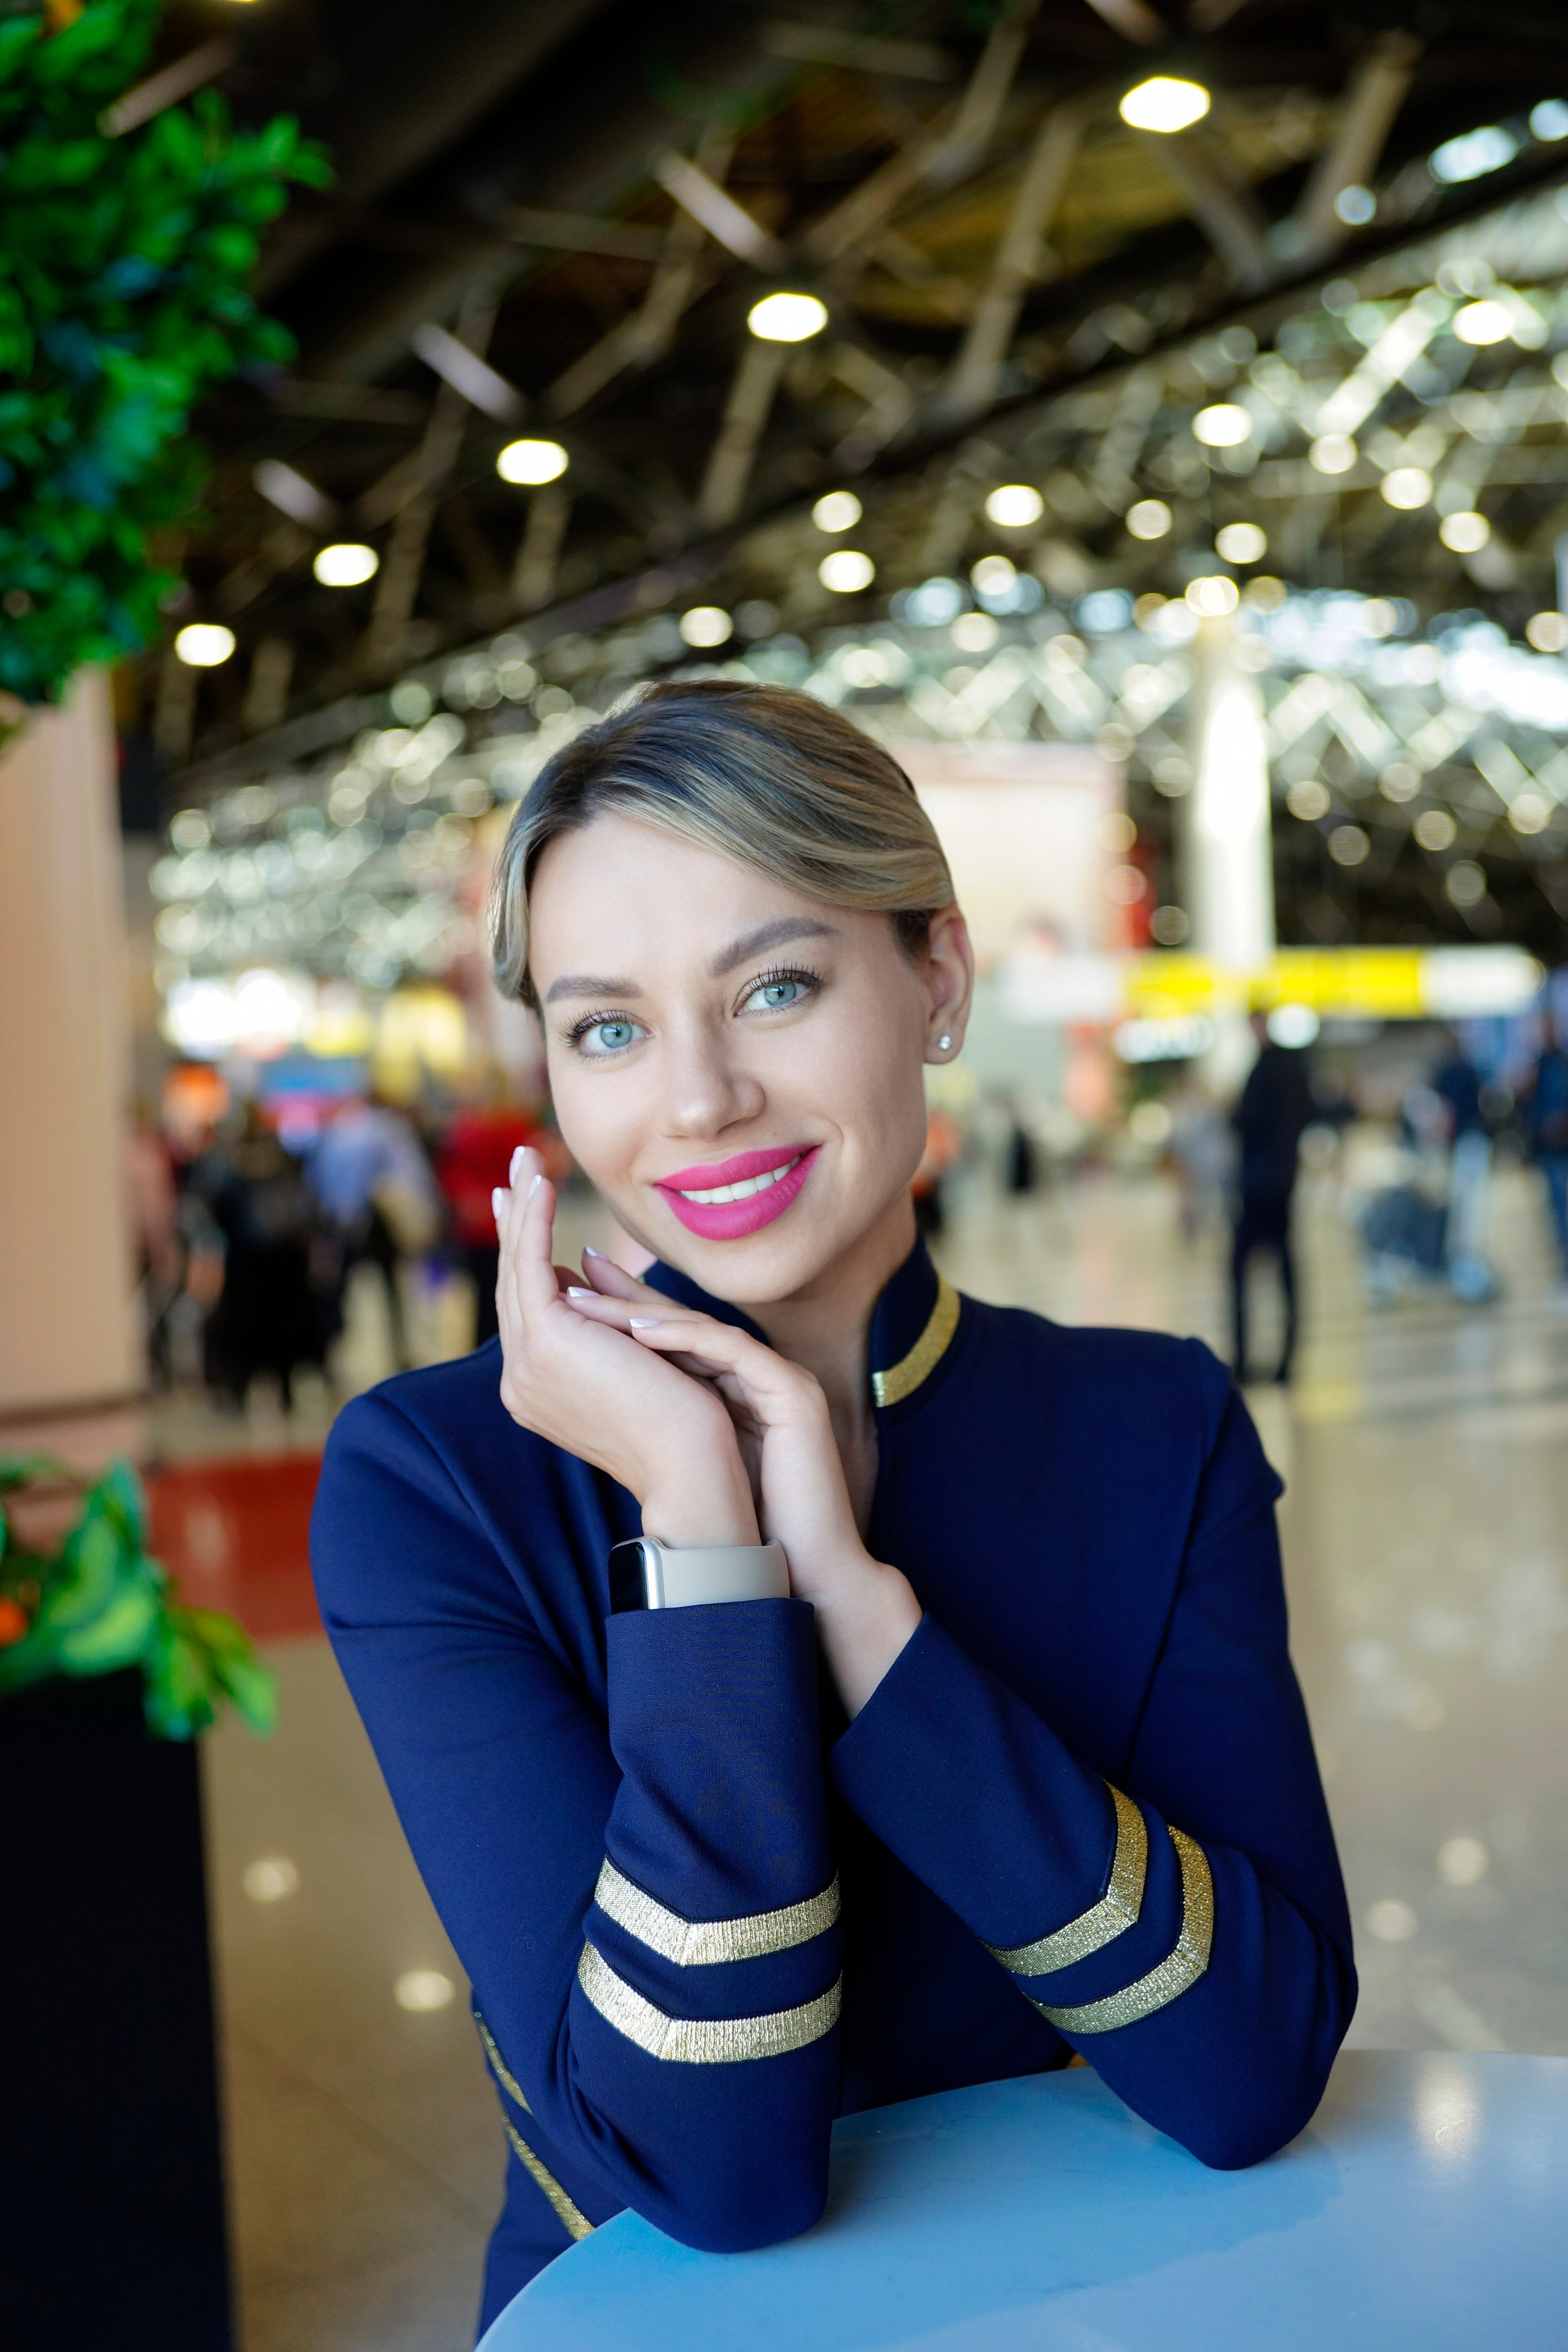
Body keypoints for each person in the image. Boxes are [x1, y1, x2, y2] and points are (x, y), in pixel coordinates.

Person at [311, 684, 1353, 2336]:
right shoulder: (439, 1484)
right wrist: (708, 1547)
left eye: (774, 986)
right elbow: (707, 2176)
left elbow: (1254, 2066)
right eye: (610, 1029)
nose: (700, 1098)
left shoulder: (1154, 1423)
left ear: (935, 980)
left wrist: (860, 1609)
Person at [1229, 1013, 1314, 1383]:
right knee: (1285, 1272)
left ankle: (1245, 1356)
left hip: (1259, 1186)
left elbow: (1249, 1120)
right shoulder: (1294, 1069)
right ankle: (1287, 1357)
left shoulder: (1264, 1069)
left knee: (1240, 1271)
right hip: (1283, 1183)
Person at [1525, 1019, 1568, 1287]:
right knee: (1556, 1209)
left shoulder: (1562, 1063)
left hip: (1561, 1146)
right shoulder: (1537, 1067)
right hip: (1547, 1149)